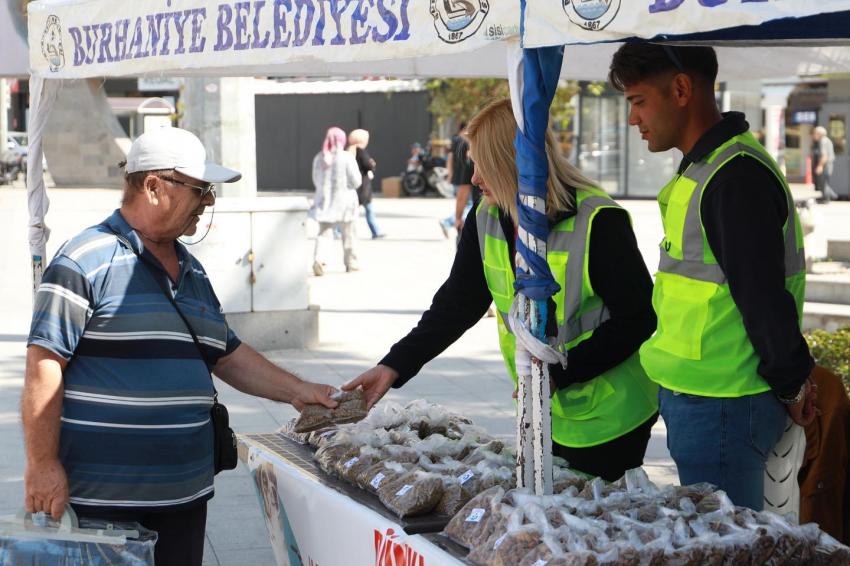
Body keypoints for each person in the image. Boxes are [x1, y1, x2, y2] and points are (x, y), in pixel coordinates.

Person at [22, 127, 339, 566]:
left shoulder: (193, 271)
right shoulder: (84, 260)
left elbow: (226, 353)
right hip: (102, 503)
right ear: (154, 186)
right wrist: (41, 465)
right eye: (200, 189)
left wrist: (301, 392)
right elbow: (44, 366)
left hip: (185, 495)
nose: (209, 201)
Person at [344, 99, 660, 482]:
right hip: (543, 407)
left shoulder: (599, 219)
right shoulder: (488, 215)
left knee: (590, 523)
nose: (474, 178)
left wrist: (561, 372)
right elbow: (458, 304)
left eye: (482, 164)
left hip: (613, 413)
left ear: (514, 162)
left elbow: (638, 318)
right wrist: (394, 365)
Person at [609, 43, 817, 510]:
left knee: (726, 547)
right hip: (708, 398)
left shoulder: (734, 176)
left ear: (681, 89)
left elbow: (762, 297)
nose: (633, 119)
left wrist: (793, 382)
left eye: (638, 101)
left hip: (725, 400)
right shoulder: (711, 167)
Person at [310, 127, 362, 276]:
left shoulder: (319, 158)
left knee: (324, 234)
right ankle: (352, 263)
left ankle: (320, 261)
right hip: (346, 203)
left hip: (326, 203)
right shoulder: (347, 157)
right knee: (350, 234)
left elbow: (315, 180)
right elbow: (356, 181)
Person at [440, 122, 476, 239]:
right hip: (462, 181)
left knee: (467, 204)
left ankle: (448, 222)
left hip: (458, 180)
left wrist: (450, 175)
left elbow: (450, 158)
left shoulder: (456, 142)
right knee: (468, 204)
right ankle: (450, 222)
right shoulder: (470, 158)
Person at [348, 128, 385, 239]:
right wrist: (372, 164)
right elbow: (368, 165)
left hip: (353, 186)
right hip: (363, 186)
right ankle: (375, 231)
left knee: (349, 211)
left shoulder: (349, 151)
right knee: (369, 210)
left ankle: (337, 230)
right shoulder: (361, 151)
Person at [812, 125, 838, 203]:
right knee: (824, 182)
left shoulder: (823, 141)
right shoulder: (827, 140)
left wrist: (820, 166)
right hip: (828, 165)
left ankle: (827, 198)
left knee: (824, 183)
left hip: (826, 165)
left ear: (819, 134)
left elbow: (824, 155)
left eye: (815, 133)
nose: (814, 135)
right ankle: (830, 196)